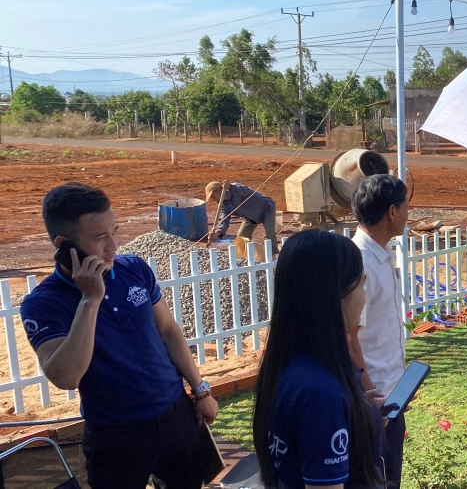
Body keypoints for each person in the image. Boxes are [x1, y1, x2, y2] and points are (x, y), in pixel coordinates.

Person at [21, 183, 219, 489]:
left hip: (175, 415)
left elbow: (168, 331)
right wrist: (90, 299)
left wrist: (200, 390)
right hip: (115, 435)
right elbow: (67, 377)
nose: (113, 246)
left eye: (115, 232)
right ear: (64, 245)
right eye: (100, 238)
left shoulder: (134, 269)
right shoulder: (43, 304)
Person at [252, 229, 383, 489]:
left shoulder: (289, 364)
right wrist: (339, 409)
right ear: (337, 296)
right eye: (362, 283)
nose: (364, 295)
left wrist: (360, 412)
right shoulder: (322, 396)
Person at [349, 174, 410, 488]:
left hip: (391, 395)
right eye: (405, 206)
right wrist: (371, 395)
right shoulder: (359, 261)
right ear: (391, 212)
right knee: (380, 480)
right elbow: (349, 337)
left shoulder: (380, 254)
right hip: (376, 404)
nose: (407, 213)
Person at [205, 181, 278, 254]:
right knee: (241, 237)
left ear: (218, 190)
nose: (213, 199)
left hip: (266, 208)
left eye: (212, 196)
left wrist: (230, 187)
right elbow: (224, 221)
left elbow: (245, 190)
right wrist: (216, 233)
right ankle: (243, 256)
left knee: (270, 232)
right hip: (250, 216)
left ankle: (274, 254)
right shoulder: (223, 206)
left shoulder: (235, 189)